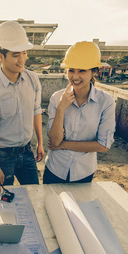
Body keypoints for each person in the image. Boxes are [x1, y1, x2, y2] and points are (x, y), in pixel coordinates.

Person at [0, 21, 44, 192]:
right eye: (15, 55)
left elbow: (36, 111)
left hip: (27, 152)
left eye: (24, 53)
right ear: (0, 56)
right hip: (3, 157)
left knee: (34, 196)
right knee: (3, 201)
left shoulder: (32, 79)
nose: (22, 60)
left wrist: (40, 143)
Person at [44, 41, 115, 184]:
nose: (75, 77)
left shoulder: (105, 102)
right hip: (54, 169)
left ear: (94, 72)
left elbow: (103, 145)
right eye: (71, 70)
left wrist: (64, 145)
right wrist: (61, 108)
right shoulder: (57, 98)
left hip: (83, 173)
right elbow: (55, 141)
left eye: (82, 70)